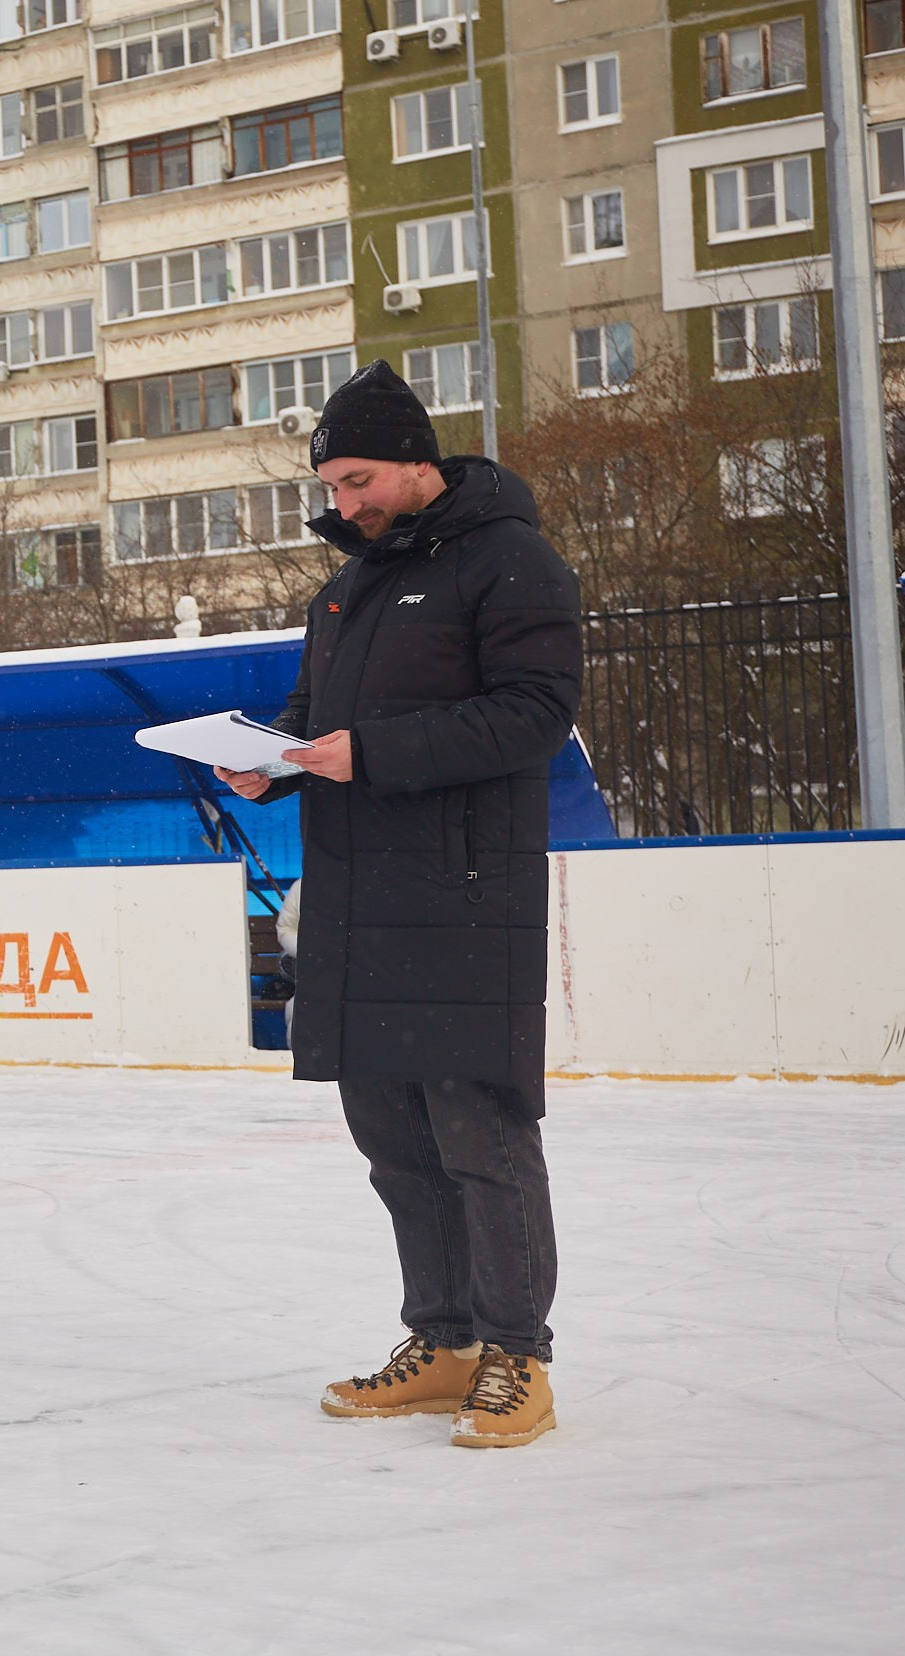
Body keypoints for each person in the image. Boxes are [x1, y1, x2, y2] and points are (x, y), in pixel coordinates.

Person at [216, 361, 583, 1448]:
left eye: (359, 480)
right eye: (331, 486)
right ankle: (446, 1341)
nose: (344, 503)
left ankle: (517, 1357)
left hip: (463, 895)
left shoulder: (511, 561)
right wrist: (271, 763)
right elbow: (313, 717)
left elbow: (535, 713)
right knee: (395, 1141)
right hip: (356, 899)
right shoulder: (348, 587)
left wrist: (367, 751)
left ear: (419, 463)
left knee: (480, 1136)